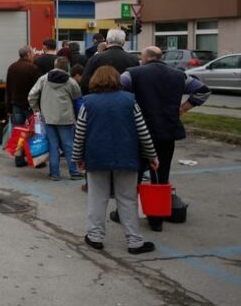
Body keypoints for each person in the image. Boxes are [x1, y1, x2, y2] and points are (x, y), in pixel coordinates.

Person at [118, 46, 210, 231]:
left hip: (140, 131)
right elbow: (203, 91)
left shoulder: (133, 74)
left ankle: (127, 214)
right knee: (161, 174)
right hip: (167, 131)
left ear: (146, 58)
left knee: (134, 174)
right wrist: (182, 109)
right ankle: (156, 219)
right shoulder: (179, 75)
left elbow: (118, 90)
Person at [72, 66, 158, 254]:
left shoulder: (87, 103)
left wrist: (77, 157)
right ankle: (134, 242)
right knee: (127, 199)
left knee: (97, 198)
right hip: (126, 156)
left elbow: (80, 133)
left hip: (96, 157)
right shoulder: (130, 101)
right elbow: (143, 131)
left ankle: (95, 237)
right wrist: (152, 155)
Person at [28, 56, 84, 181]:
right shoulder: (70, 82)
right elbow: (77, 99)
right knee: (69, 145)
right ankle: (73, 172)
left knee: (53, 146)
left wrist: (36, 109)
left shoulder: (43, 79)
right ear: (67, 67)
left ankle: (55, 174)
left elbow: (32, 95)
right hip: (65, 118)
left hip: (48, 118)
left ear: (55, 66)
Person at [80, 29, 138, 95]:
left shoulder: (95, 59)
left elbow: (85, 82)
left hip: (99, 97)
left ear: (107, 41)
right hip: (125, 99)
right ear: (123, 42)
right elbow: (137, 83)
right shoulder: (133, 59)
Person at [5, 46, 42, 126]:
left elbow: (8, 89)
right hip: (29, 105)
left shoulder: (12, 67)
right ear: (28, 54)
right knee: (33, 128)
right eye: (32, 54)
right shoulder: (33, 68)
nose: (33, 56)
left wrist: (8, 108)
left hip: (16, 104)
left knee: (18, 128)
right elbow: (38, 88)